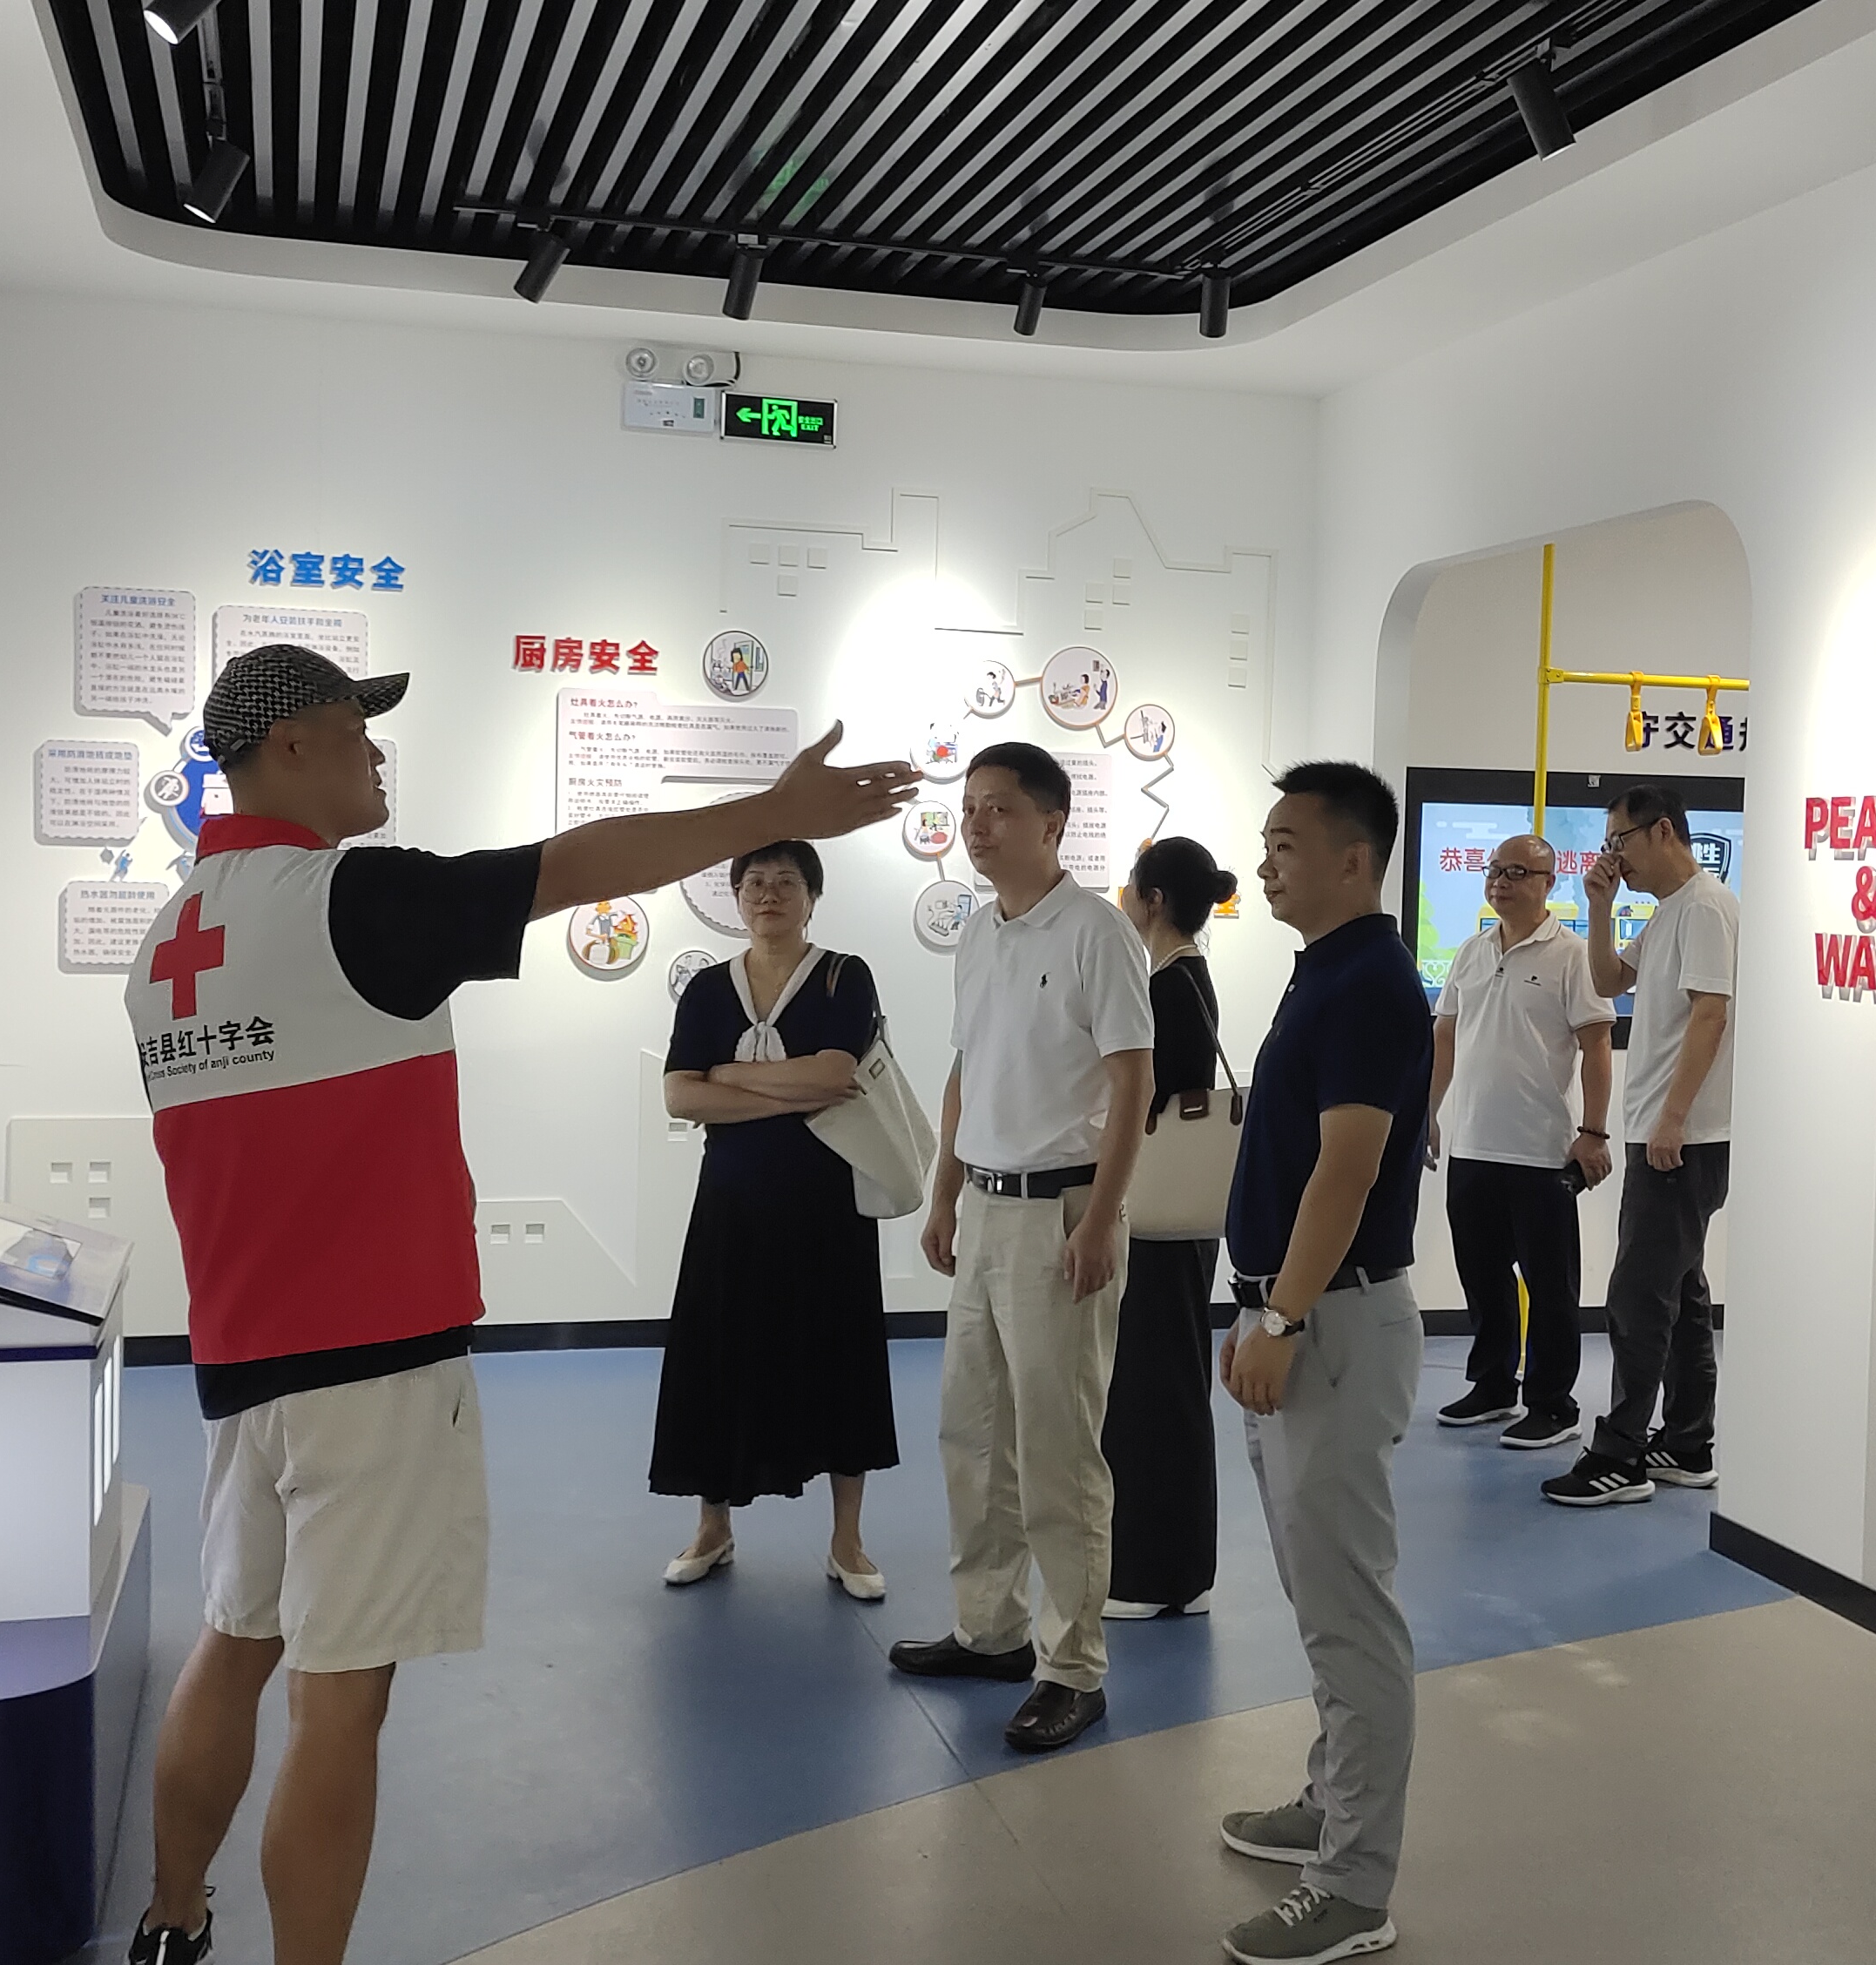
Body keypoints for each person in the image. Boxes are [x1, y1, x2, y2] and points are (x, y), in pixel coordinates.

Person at [122, 646, 914, 1965]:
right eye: (356, 730)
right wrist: (776, 809)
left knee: (235, 1639)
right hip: (373, 1369)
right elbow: (576, 865)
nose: (377, 753)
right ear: (293, 744)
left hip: (238, 1361)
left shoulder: (167, 942)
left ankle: (171, 1918)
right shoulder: (351, 900)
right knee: (338, 1700)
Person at [891, 740, 1154, 1756]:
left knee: (1057, 1446)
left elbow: (1132, 1082)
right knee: (971, 1433)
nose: (976, 824)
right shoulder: (979, 934)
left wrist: (1100, 1218)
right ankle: (990, 1630)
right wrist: (944, 1193)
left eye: (997, 807)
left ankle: (1071, 1666)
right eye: (969, 807)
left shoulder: (1096, 933)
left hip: (1062, 1213)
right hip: (988, 1207)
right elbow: (966, 1072)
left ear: (1051, 823)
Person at [1212, 761, 1431, 1965]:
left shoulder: (1371, 985)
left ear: (1356, 859)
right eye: (1266, 841)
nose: (1265, 862)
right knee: (1320, 1599)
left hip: (1334, 1328)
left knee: (1351, 1616)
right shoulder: (1327, 971)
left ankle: (1354, 1886)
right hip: (1298, 1315)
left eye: (1287, 844)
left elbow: (1347, 1171)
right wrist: (1258, 1308)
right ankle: (1329, 1804)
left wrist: (1284, 1320)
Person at [649, 840, 896, 1599]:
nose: (768, 894)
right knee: (717, 1357)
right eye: (754, 882)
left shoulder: (843, 975)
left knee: (841, 1360)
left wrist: (729, 1076)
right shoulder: (708, 989)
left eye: (786, 881)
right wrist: (787, 1092)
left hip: (827, 1205)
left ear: (812, 897)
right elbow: (680, 1095)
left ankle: (848, 1540)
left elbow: (837, 1074)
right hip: (732, 1204)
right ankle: (713, 1527)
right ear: (736, 897)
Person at [1552, 784, 1738, 1508]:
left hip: (1682, 1139)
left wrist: (1673, 1119)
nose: (1614, 857)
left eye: (1620, 842)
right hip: (1667, 1135)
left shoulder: (1706, 908)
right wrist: (1599, 906)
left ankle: (1620, 1454)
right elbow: (1607, 979)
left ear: (1663, 831)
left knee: (1638, 1295)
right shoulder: (1669, 912)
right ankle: (1687, 1442)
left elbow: (1711, 1015)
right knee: (1681, 1293)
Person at [1423, 834, 1614, 1451]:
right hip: (1474, 1145)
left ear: (1548, 883)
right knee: (1482, 1276)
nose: (1500, 882)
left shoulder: (1573, 956)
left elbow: (1596, 1046)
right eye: (1494, 870)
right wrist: (1429, 1111)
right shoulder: (1471, 952)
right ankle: (1493, 1385)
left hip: (1541, 1152)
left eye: (1516, 872)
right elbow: (1445, 1037)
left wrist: (1593, 1132)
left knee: (1551, 1286)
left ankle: (1554, 1405)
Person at [1103, 835, 1238, 1621]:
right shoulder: (1184, 978)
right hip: (1177, 1217)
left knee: (1152, 1386)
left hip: (1157, 1215)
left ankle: (1154, 1575)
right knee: (1166, 1382)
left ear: (1153, 900)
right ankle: (1176, 1571)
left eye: (1132, 886)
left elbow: (1139, 1096)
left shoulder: (1168, 986)